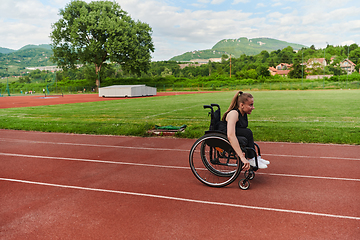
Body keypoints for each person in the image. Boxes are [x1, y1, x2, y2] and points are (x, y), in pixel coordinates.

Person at [220, 90, 270, 170]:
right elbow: (230, 136)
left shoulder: (243, 113)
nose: (253, 107)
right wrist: (242, 157)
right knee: (247, 132)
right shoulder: (234, 114)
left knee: (247, 133)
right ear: (242, 105)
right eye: (251, 105)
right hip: (224, 133)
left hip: (232, 132)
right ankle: (251, 159)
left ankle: (253, 158)